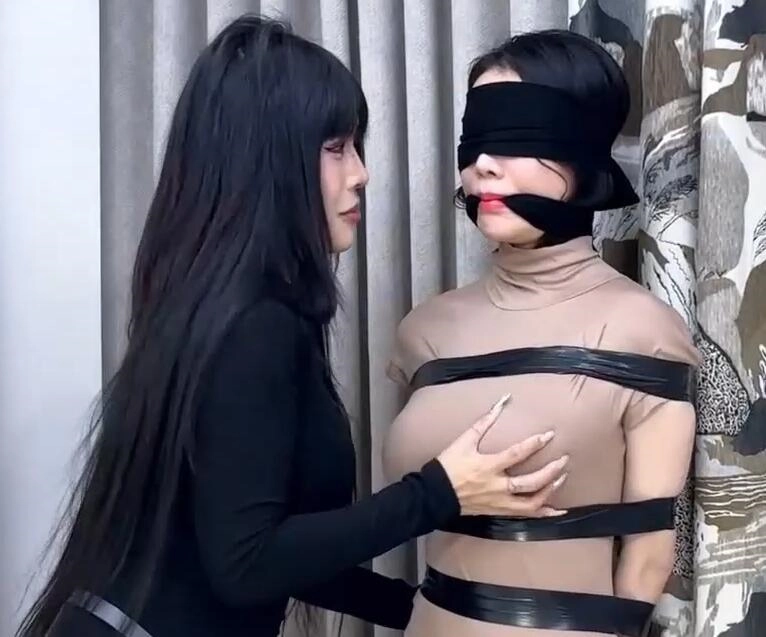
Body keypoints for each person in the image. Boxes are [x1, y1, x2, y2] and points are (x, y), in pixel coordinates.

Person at [16, 16, 569, 637]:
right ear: (268, 163)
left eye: (356, 146)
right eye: (335, 148)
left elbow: (273, 553)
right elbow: (246, 564)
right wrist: (438, 493)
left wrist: (426, 612)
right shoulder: (254, 326)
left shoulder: (218, 305)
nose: (360, 173)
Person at [383, 30, 699, 637]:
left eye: (518, 135)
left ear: (582, 150)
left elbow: (648, 556)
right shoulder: (425, 332)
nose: (483, 163)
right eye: (476, 138)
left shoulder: (644, 331)